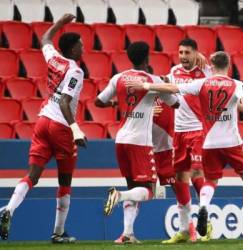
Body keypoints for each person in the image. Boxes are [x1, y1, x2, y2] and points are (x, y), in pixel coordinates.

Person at [126, 51, 243, 242]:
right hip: (232, 141)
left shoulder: (201, 83)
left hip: (209, 143)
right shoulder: (236, 84)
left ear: (211, 64)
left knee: (210, 180)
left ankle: (203, 206)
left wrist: (145, 85)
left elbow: (172, 88)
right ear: (229, 65)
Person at [0, 14, 86, 243]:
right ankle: (58, 233)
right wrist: (76, 129)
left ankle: (8, 208)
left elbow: (45, 38)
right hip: (60, 127)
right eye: (80, 45)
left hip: (42, 121)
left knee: (33, 175)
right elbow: (66, 102)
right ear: (73, 49)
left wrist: (58, 23)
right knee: (65, 182)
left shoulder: (54, 58)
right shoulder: (75, 70)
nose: (83, 48)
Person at [94, 41, 179, 244]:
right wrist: (159, 88)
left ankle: (127, 234)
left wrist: (117, 102)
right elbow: (175, 103)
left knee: (134, 187)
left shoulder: (119, 78)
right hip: (140, 142)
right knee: (148, 190)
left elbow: (98, 101)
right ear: (147, 58)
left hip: (121, 139)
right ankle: (118, 196)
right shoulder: (152, 80)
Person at [164, 38, 212, 243]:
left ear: (196, 54)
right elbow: (166, 89)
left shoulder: (206, 72)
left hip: (198, 130)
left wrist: (205, 58)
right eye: (181, 52)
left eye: (187, 53)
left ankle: (206, 221)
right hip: (179, 132)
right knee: (180, 178)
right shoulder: (173, 72)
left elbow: (219, 70)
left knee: (197, 173)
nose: (183, 56)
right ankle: (184, 229)